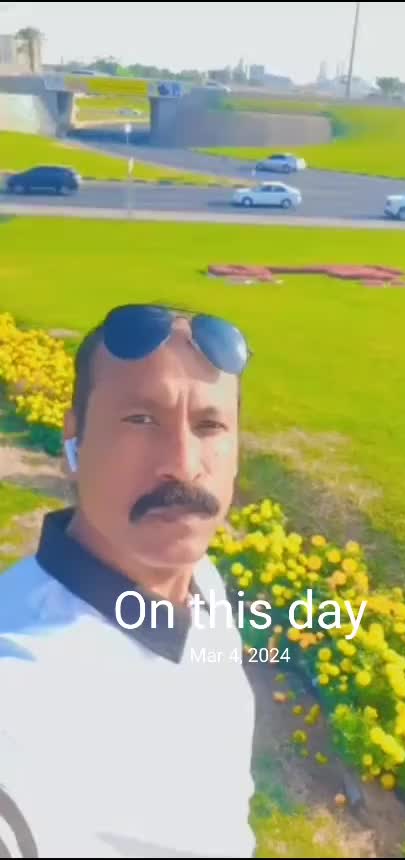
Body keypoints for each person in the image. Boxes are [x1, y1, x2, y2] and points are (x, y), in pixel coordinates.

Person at [0, 304, 256, 859]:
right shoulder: (25, 693)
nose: (183, 464)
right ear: (74, 441)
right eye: (141, 419)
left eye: (210, 425)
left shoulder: (201, 582)